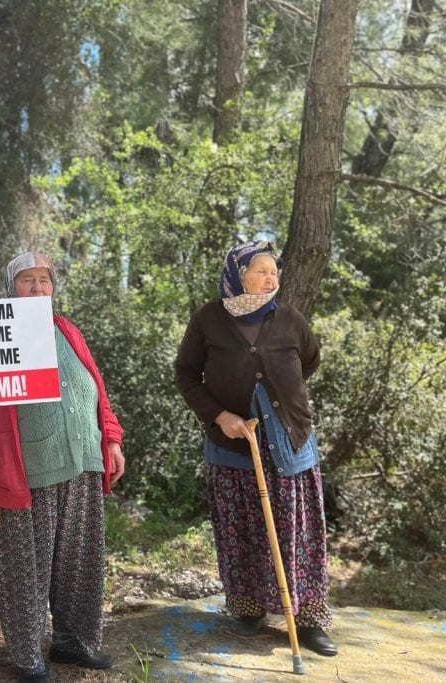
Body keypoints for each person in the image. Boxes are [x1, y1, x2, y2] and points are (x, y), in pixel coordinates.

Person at [0, 252, 125, 683]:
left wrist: (111, 437)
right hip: (26, 467)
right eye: (26, 281)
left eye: (44, 280)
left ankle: (74, 641)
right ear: (11, 287)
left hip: (83, 461)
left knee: (79, 559)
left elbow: (95, 384)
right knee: (26, 566)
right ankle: (28, 655)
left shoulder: (68, 329)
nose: (37, 288)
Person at [174, 240, 337, 657]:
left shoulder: (289, 319)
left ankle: (309, 619)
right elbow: (187, 374)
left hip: (289, 441)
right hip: (233, 444)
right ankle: (248, 609)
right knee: (241, 526)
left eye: (274, 272)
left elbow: (310, 361)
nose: (271, 278)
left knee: (297, 531)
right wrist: (220, 416)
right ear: (237, 273)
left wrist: (282, 401)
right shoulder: (209, 319)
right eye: (261, 270)